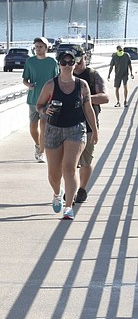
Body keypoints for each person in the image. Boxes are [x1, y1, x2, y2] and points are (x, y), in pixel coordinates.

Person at [36, 49, 98, 220]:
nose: (67, 65)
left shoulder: (82, 85)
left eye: (71, 62)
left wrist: (95, 130)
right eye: (63, 62)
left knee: (69, 167)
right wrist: (45, 109)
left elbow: (88, 107)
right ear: (59, 64)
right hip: (53, 130)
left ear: (75, 63)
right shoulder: (51, 85)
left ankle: (69, 206)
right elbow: (39, 106)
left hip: (76, 129)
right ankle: (57, 193)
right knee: (53, 173)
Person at [72, 47, 109, 203]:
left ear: (85, 58)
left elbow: (105, 97)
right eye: (74, 61)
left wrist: (85, 99)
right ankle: (70, 190)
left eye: (79, 60)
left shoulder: (93, 75)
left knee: (86, 161)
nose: (76, 64)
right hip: (67, 126)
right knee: (69, 163)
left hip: (88, 125)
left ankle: (81, 189)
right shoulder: (65, 75)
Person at [23, 37, 59, 162]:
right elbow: (25, 79)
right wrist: (29, 85)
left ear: (46, 48)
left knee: (43, 125)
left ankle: (42, 152)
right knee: (33, 126)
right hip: (33, 99)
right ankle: (38, 145)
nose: (38, 49)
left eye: (41, 46)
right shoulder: (29, 62)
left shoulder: (52, 62)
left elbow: (56, 80)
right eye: (36, 46)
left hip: (47, 101)